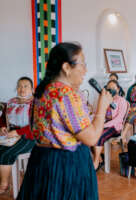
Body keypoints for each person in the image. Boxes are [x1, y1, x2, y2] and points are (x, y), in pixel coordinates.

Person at [17, 42, 113, 200]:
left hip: (41, 160)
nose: (85, 70)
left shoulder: (42, 91)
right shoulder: (67, 94)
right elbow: (91, 138)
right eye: (82, 64)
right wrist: (102, 107)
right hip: (66, 163)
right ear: (66, 67)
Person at [0, 77, 36, 194]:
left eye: (26, 86)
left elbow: (36, 125)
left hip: (29, 136)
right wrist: (3, 127)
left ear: (32, 89)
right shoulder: (11, 102)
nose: (22, 89)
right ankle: (6, 181)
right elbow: (2, 119)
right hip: (10, 135)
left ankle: (4, 185)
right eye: (19, 86)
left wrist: (17, 132)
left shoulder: (36, 103)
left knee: (6, 153)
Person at [92, 80, 128, 170]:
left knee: (99, 136)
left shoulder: (121, 101)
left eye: (113, 88)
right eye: (108, 88)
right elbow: (98, 112)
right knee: (89, 134)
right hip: (103, 124)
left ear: (118, 89)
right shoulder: (104, 99)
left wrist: (103, 125)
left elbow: (119, 119)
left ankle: (95, 162)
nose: (110, 89)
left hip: (115, 127)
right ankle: (99, 158)